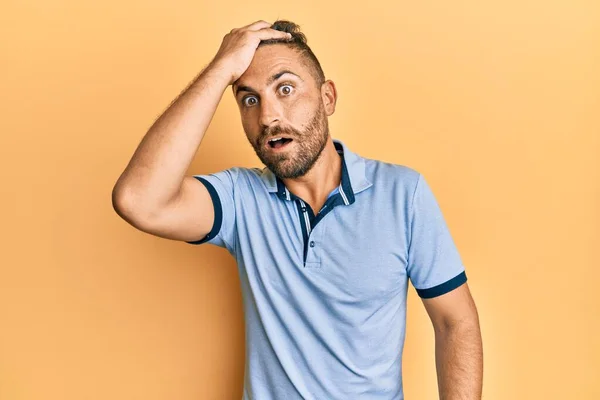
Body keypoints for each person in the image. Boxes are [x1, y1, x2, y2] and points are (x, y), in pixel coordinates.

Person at [112, 19, 483, 400]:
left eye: (285, 88)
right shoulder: (242, 198)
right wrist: (221, 67)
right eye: (249, 99)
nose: (268, 116)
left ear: (327, 98)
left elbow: (455, 321)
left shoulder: (403, 193)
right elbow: (139, 201)